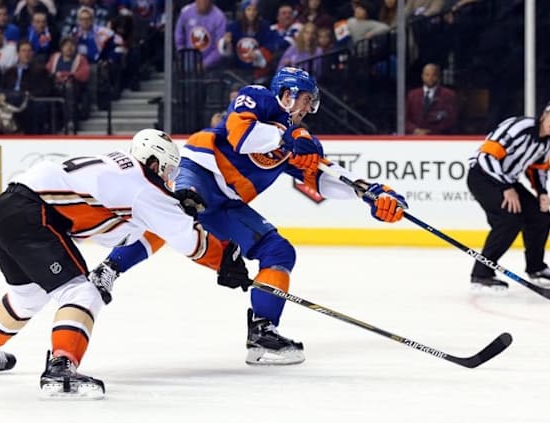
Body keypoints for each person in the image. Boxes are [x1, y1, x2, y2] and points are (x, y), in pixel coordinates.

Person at [88, 67, 409, 365]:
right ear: (287, 94)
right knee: (179, 214)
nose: (307, 108)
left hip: (228, 204)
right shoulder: (258, 98)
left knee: (278, 251)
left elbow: (325, 176)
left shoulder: (300, 141)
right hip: (198, 172)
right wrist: (286, 139)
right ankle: (109, 270)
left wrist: (370, 193)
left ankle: (262, 333)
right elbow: (240, 134)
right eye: (306, 100)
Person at [0, 129, 251, 399]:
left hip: (3, 210)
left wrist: (172, 206)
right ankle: (61, 369)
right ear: (153, 162)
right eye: (167, 169)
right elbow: (190, 242)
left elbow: (119, 235)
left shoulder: (117, 165)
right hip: (33, 215)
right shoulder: (145, 186)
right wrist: (225, 260)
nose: (169, 177)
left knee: (28, 296)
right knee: (82, 293)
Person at [467, 95, 550, 291]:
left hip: (507, 181)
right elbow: (486, 156)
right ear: (545, 114)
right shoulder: (519, 128)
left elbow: (537, 168)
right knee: (509, 220)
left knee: (541, 217)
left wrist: (542, 192)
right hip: (483, 177)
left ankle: (536, 268)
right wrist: (505, 188)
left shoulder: (548, 142)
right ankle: (481, 273)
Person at [405, 63, 458, 135]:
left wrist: (431, 132)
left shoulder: (448, 95)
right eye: (427, 75)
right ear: (422, 76)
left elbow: (451, 119)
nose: (430, 78)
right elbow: (406, 119)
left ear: (439, 77)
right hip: (416, 140)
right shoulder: (412, 95)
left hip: (439, 139)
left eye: (433, 75)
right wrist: (415, 130)